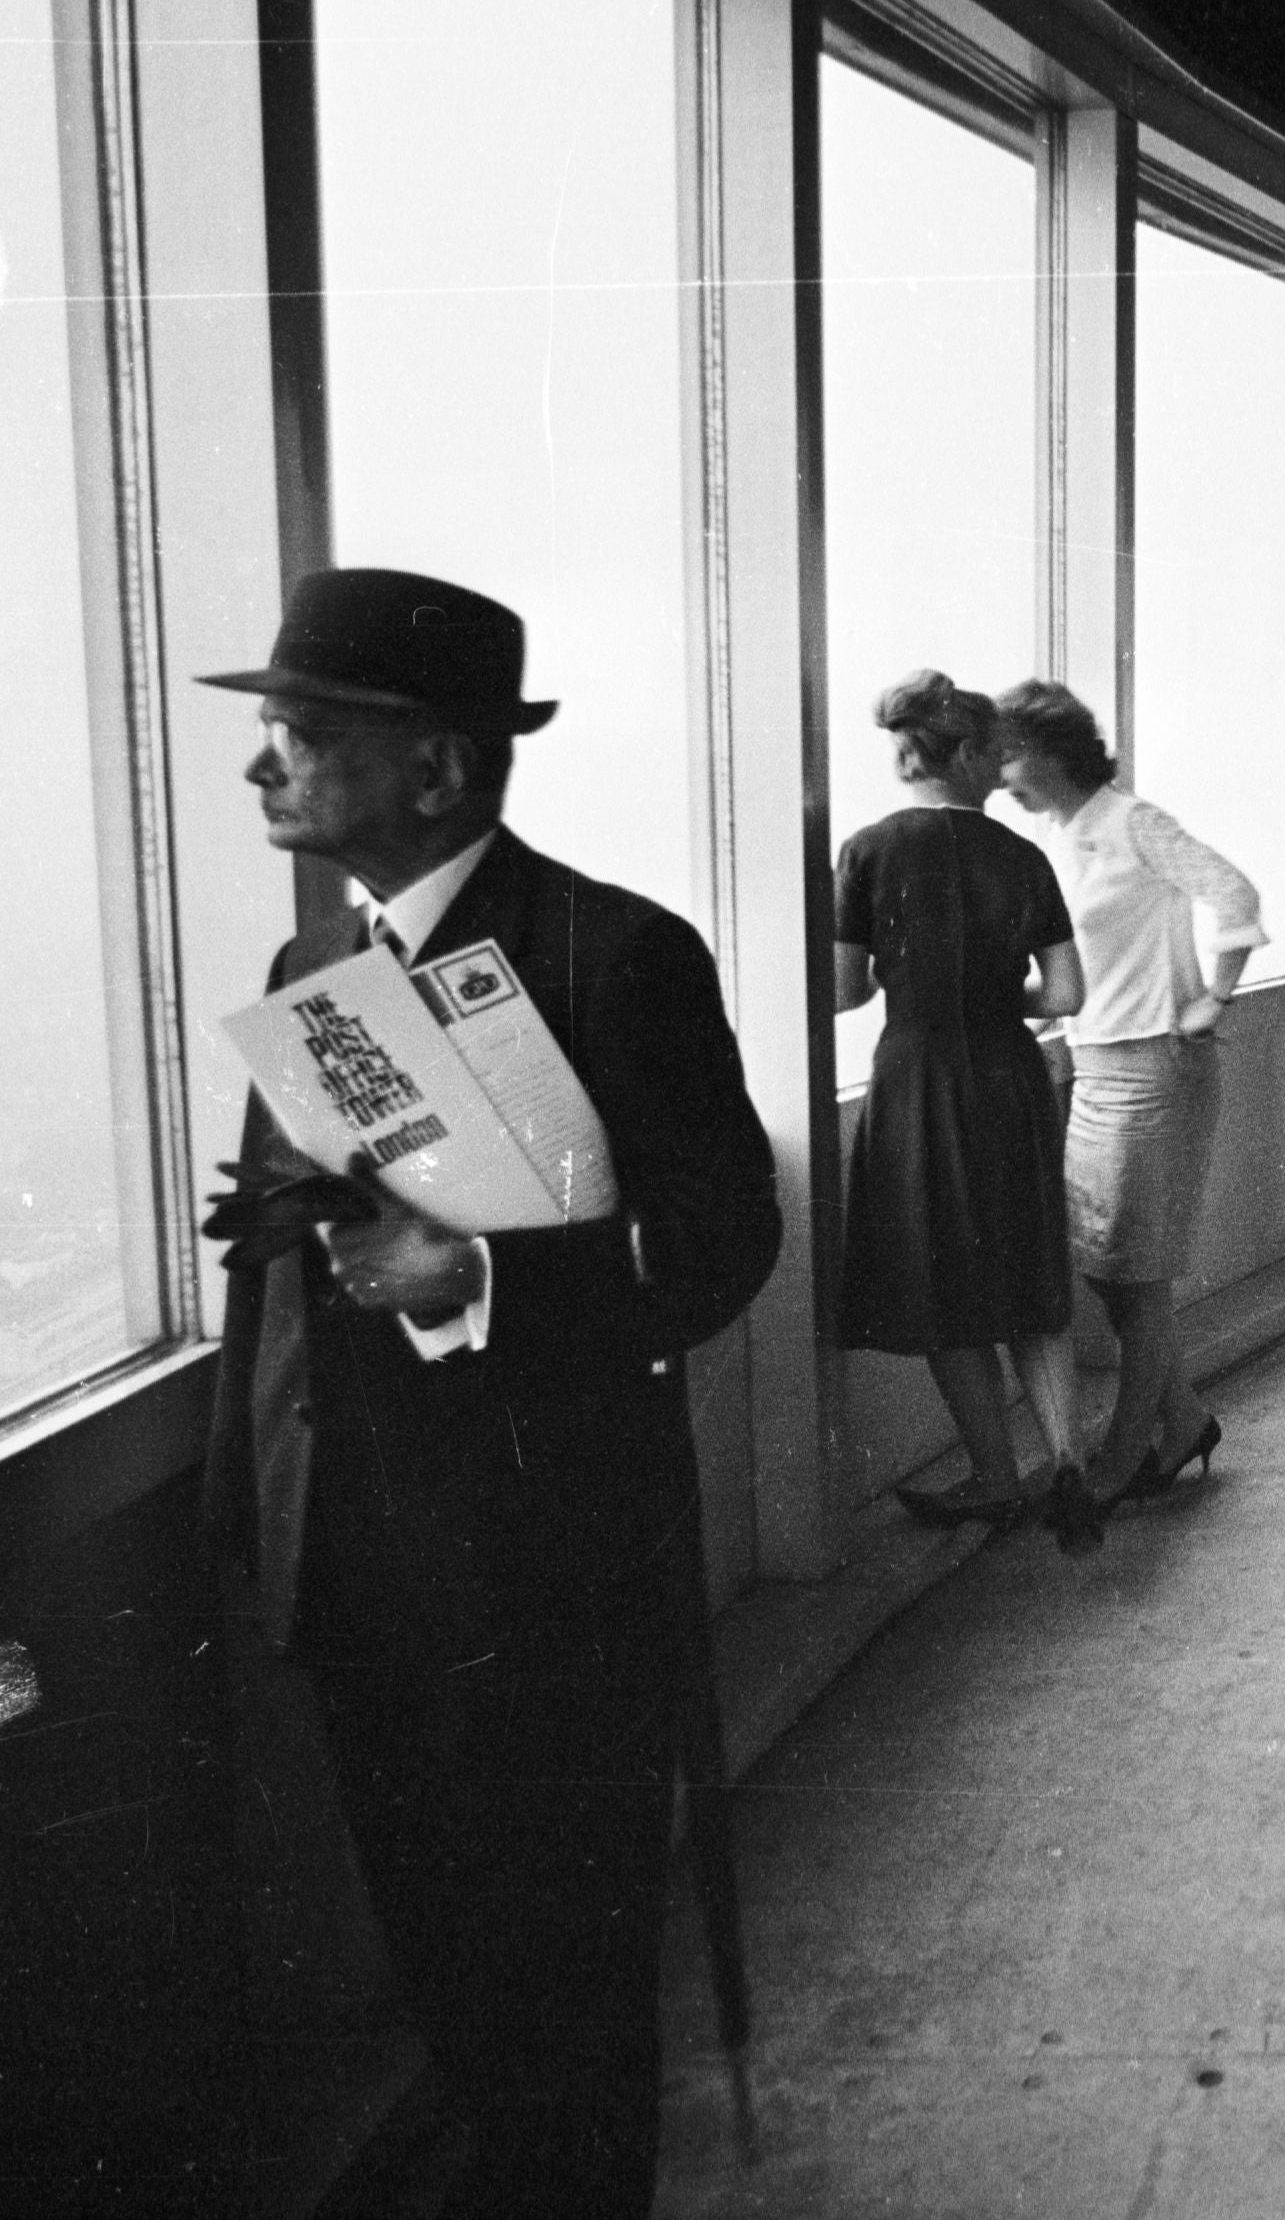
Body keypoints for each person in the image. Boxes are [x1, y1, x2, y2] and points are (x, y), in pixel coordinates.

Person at [200, 568, 782, 2218]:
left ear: (438, 769)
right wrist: (251, 1512)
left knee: (573, 1975)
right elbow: (283, 1287)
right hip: (359, 1565)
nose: (264, 768)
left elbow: (725, 1245)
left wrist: (480, 1283)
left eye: (297, 734)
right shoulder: (316, 955)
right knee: (440, 1951)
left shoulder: (615, 954)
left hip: (549, 1578)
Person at [833, 671, 1098, 1550]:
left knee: (941, 1278)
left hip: (916, 1079)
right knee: (1028, 1273)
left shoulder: (870, 849)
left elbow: (842, 989)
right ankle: (1066, 1463)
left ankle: (994, 1475)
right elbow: (1064, 991)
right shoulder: (1022, 858)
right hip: (1008, 1081)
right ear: (973, 753)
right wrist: (995, 993)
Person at [995, 679, 1264, 1504]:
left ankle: (1121, 1457)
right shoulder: (1056, 836)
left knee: (1136, 1274)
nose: (1002, 777)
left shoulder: (1131, 820)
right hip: (1094, 1064)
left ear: (1049, 750)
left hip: (1155, 1066)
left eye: (1010, 755)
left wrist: (1213, 996)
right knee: (1108, 1269)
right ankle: (1181, 1420)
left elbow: (1235, 892)